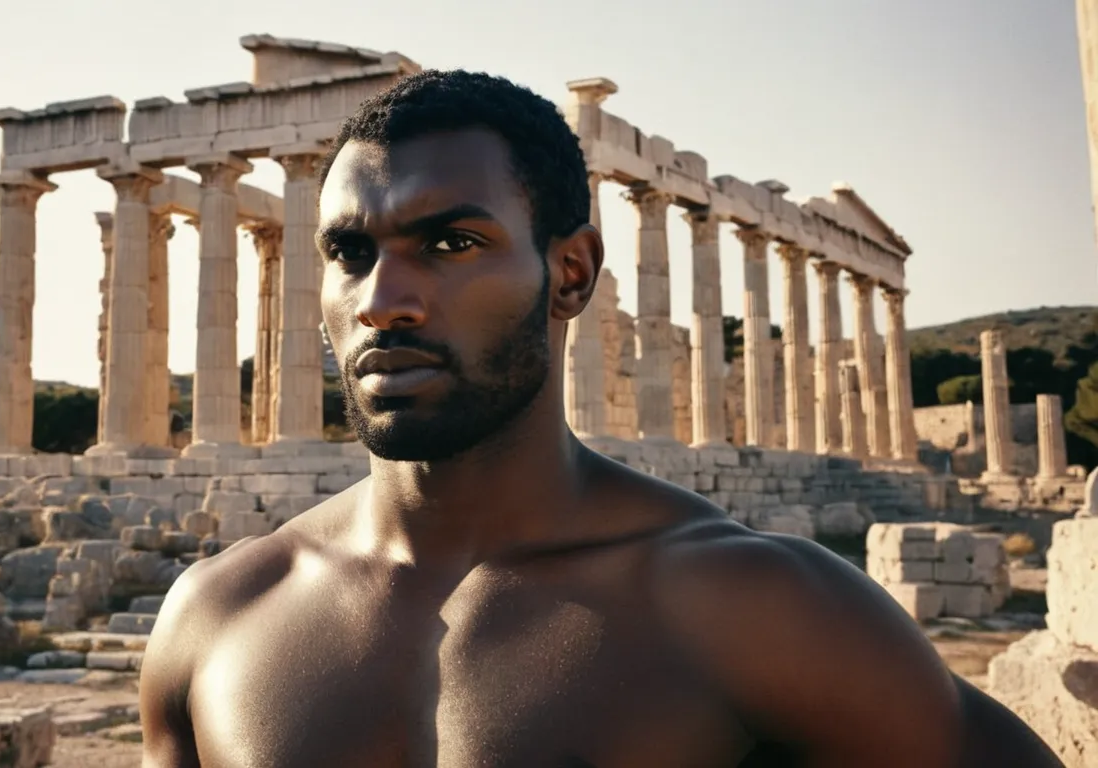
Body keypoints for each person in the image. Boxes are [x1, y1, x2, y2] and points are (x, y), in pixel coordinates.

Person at [139, 69, 1061, 767]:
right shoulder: (213, 615)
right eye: (349, 251)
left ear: (571, 274)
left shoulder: (754, 608)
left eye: (452, 244)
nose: (385, 299)